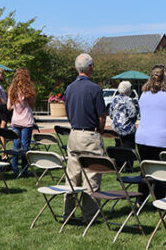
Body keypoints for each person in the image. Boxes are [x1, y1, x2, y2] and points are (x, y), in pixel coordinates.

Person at [63, 53, 106, 221]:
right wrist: (99, 132)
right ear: (91, 68)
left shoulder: (69, 88)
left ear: (76, 68)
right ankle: (89, 215)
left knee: (72, 176)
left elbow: (67, 111)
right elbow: (102, 116)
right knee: (92, 176)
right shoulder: (95, 89)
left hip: (74, 134)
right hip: (90, 134)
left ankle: (68, 213)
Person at [135, 64, 166, 200]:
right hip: (164, 139)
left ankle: (140, 199)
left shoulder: (144, 95)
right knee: (163, 172)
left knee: (146, 170)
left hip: (143, 138)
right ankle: (161, 199)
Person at [7, 69, 35, 176]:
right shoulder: (28, 91)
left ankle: (14, 168)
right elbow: (32, 105)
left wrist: (16, 106)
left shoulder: (11, 90)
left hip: (15, 121)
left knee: (16, 145)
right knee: (25, 146)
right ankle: (24, 169)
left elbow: (8, 107)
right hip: (26, 121)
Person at [109, 80, 138, 155]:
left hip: (116, 130)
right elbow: (133, 114)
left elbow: (111, 114)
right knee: (128, 150)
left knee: (118, 147)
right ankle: (128, 165)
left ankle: (119, 163)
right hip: (128, 130)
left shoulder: (115, 99)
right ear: (128, 90)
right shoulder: (129, 100)